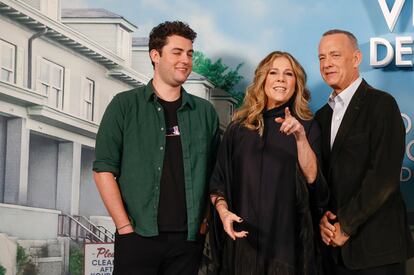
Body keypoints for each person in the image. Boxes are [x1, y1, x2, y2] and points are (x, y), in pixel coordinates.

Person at [93, 21, 220, 275]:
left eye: (189, 53)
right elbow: (103, 170)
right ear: (155, 55)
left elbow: (215, 175)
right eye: (177, 52)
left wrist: (204, 222)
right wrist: (124, 227)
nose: (185, 59)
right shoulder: (124, 106)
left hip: (188, 241)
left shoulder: (205, 113)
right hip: (138, 236)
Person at [209, 51, 328, 275]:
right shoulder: (238, 128)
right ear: (263, 79)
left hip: (287, 249)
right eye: (273, 72)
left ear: (297, 83)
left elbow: (314, 180)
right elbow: (219, 181)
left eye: (288, 74)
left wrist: (300, 138)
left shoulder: (308, 127)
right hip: (243, 244)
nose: (280, 79)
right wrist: (223, 212)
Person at [316, 29, 414, 274]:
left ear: (357, 59)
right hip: (332, 253)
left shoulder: (382, 105)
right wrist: (323, 220)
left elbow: (384, 177)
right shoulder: (321, 116)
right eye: (321, 57)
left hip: (377, 251)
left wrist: (346, 227)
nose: (327, 63)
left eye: (335, 55)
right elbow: (320, 180)